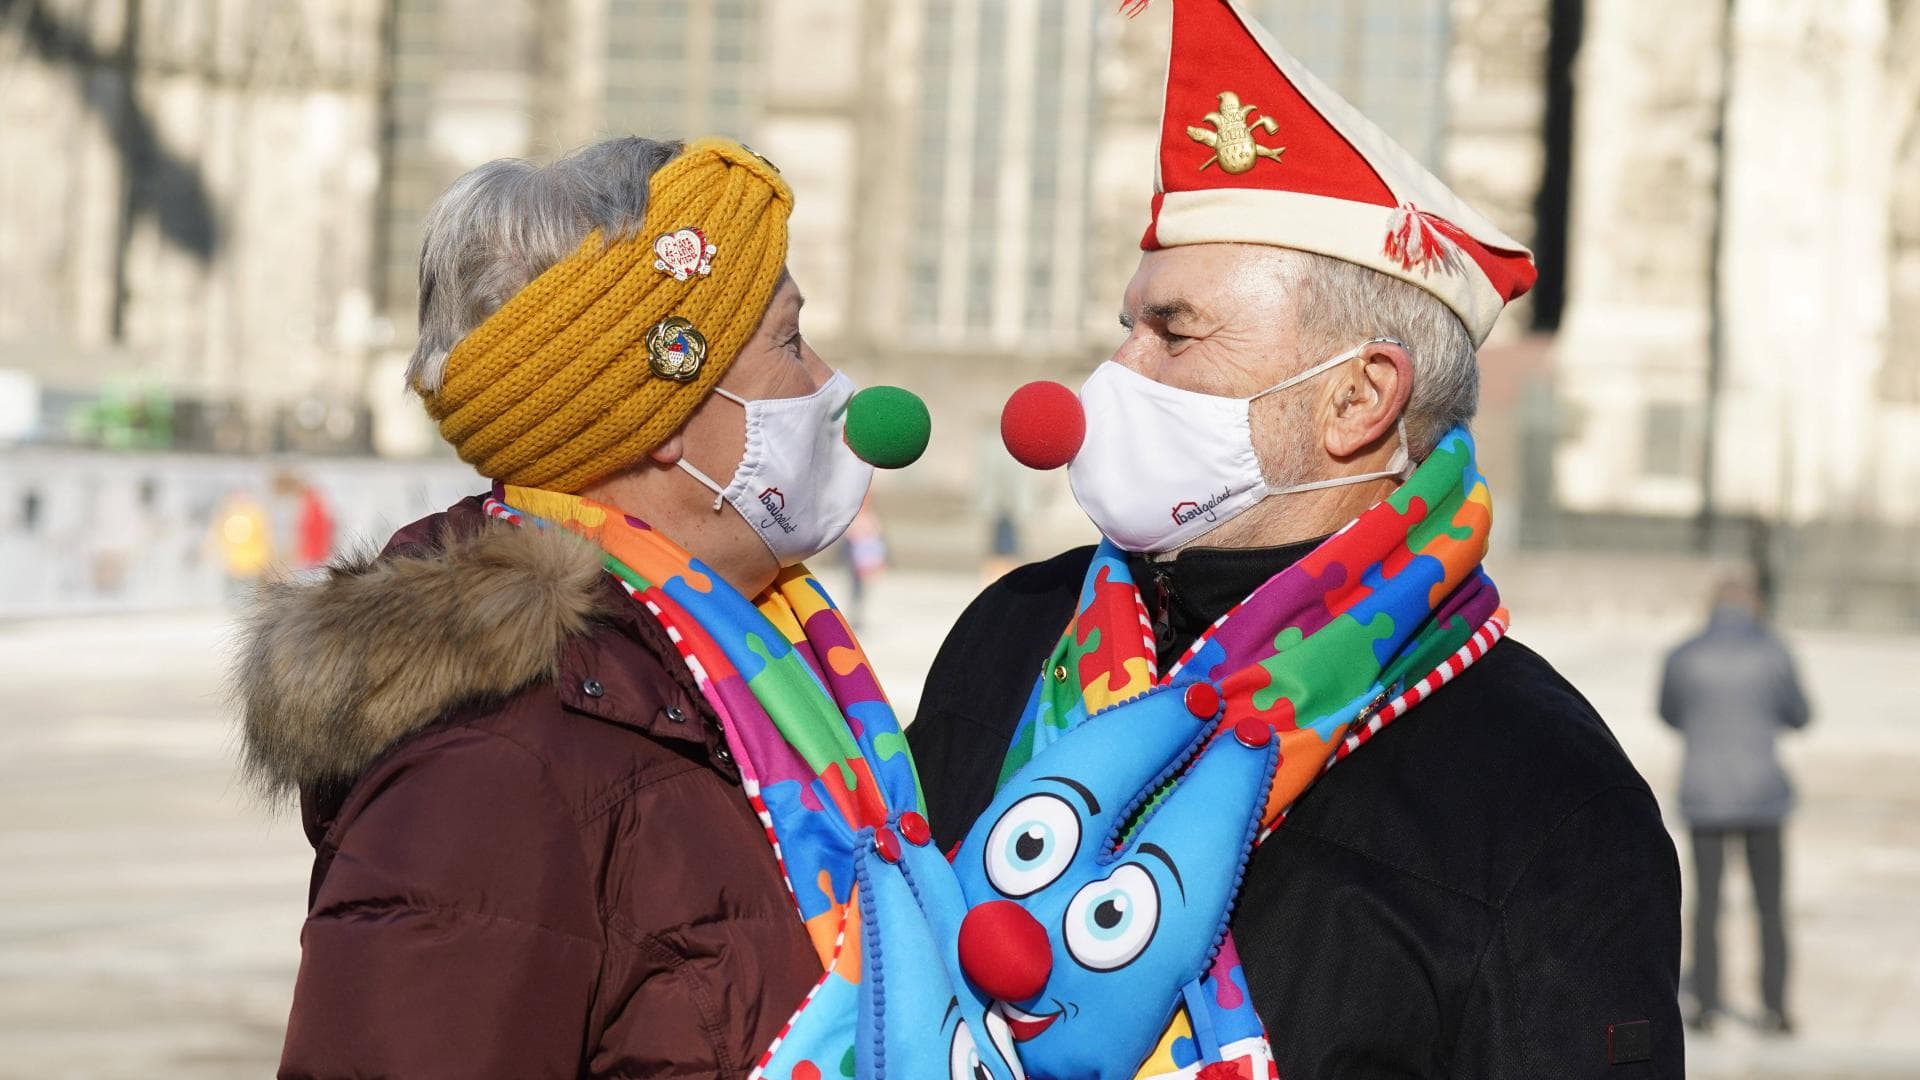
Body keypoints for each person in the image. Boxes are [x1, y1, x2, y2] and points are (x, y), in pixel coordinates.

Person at [909, 2, 1684, 1077]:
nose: (1115, 376)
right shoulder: (1011, 636)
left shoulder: (1541, 793)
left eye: (1172, 332)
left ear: (1357, 399)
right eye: (1126, 325)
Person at [235, 137, 866, 1077]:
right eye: (787, 338)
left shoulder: (736, 666)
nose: (825, 383)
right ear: (664, 408)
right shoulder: (496, 770)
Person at [1659, 575, 1811, 1035]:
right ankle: (1775, 1008)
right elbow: (1800, 715)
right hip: (1763, 794)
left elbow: (1668, 712)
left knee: (1706, 903)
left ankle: (1705, 1005)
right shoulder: (1774, 651)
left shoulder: (1683, 654)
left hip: (1705, 793)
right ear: (1755, 606)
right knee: (1769, 904)